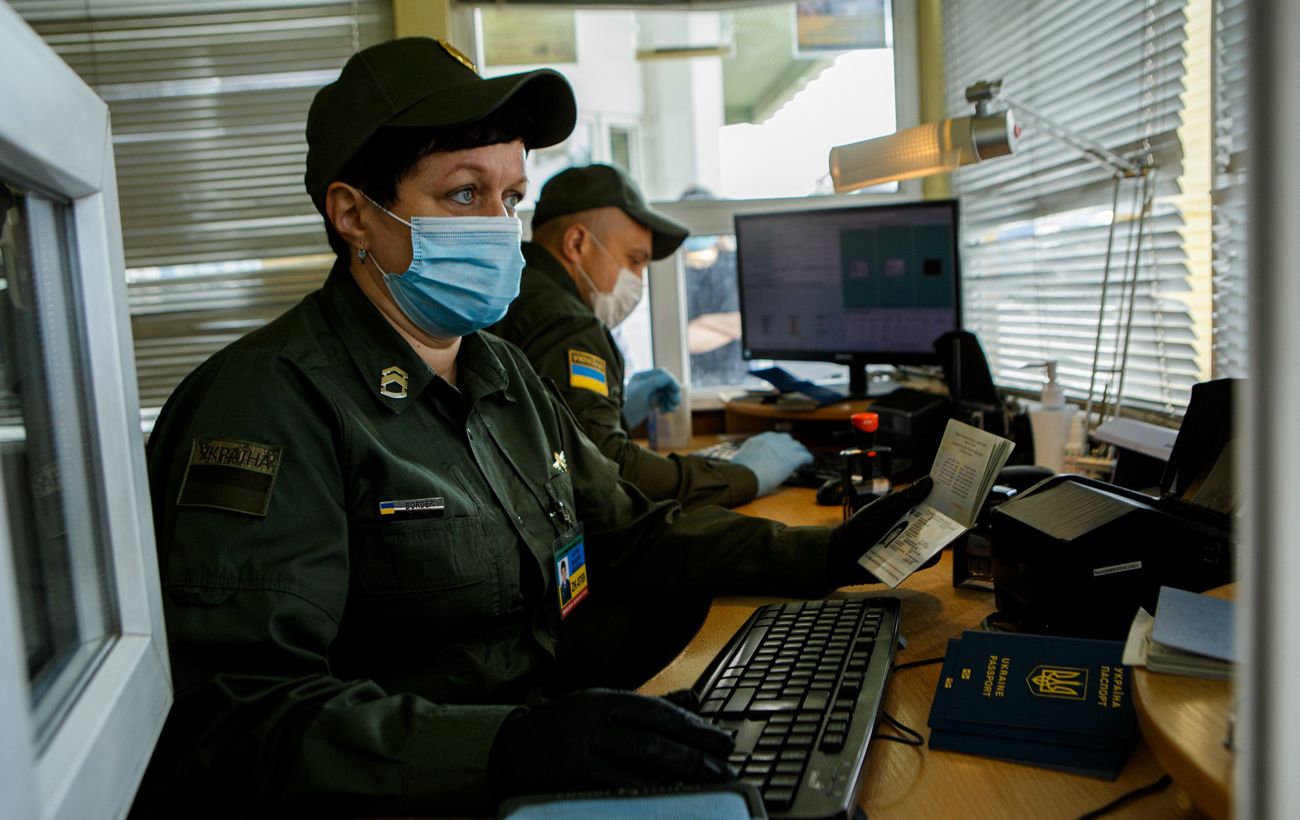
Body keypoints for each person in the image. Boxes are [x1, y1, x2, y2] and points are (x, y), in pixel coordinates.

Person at [130, 37, 933, 818]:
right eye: (463, 195)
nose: (498, 225)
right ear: (353, 215)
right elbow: (241, 719)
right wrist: (502, 748)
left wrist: (822, 553)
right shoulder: (267, 403)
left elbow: (629, 534)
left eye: (510, 198)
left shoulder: (501, 373)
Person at [490, 163, 814, 511]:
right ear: (577, 243)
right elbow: (608, 471)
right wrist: (739, 477)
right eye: (634, 260)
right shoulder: (567, 324)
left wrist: (615, 416)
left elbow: (547, 436)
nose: (638, 280)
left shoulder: (514, 293)